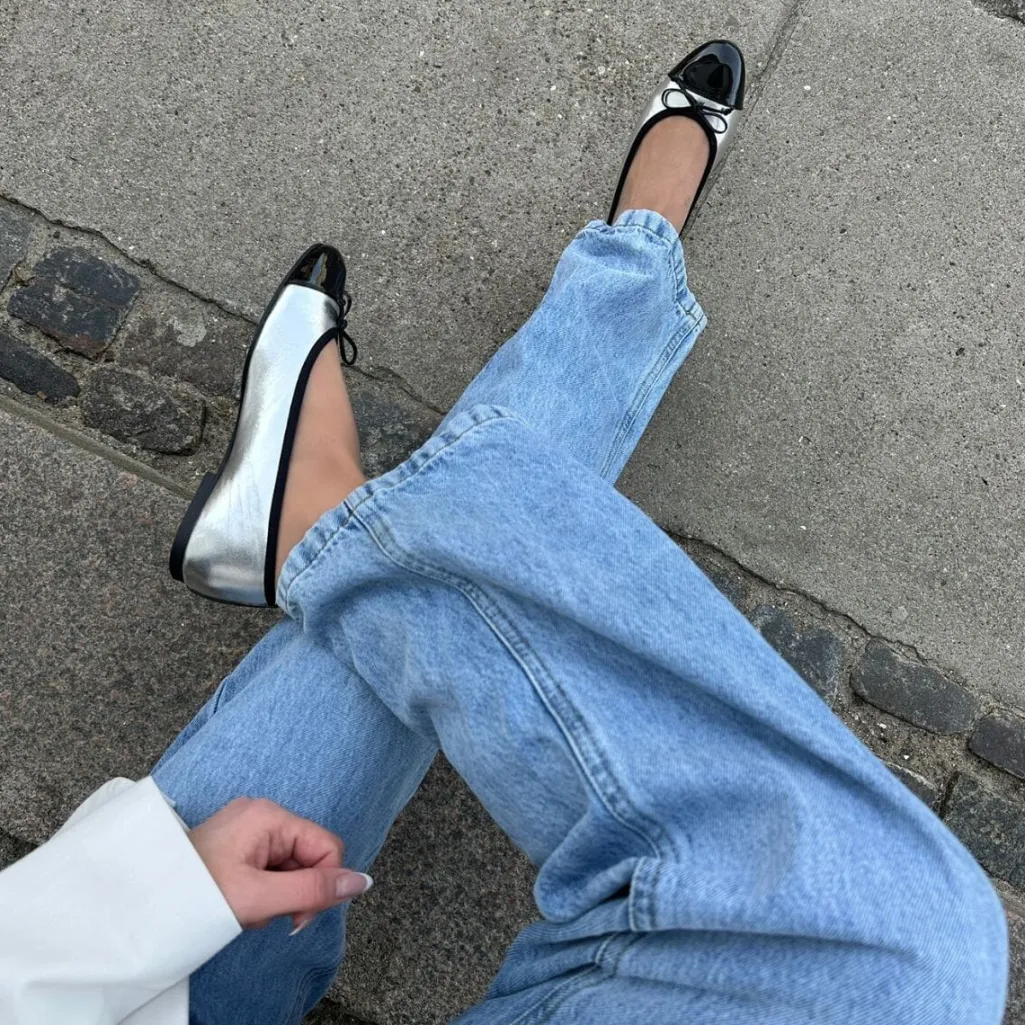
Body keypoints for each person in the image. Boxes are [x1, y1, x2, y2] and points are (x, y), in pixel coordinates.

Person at [0, 40, 1009, 1025]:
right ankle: (611, 282)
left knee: (407, 614)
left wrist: (139, 909)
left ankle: (599, 296)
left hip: (128, 988)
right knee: (898, 949)